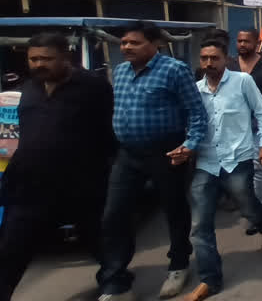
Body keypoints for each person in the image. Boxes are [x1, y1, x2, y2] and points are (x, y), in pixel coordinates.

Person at [0, 33, 116, 301]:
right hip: (29, 185)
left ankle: (115, 282)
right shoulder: (30, 88)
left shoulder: (93, 88)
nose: (39, 64)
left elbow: (108, 131)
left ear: (66, 57)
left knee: (99, 240)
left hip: (80, 183)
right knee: (12, 248)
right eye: (34, 59)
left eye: (47, 59)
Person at [99, 21, 208, 300]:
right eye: (123, 42)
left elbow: (197, 113)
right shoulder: (121, 72)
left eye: (133, 42)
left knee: (174, 210)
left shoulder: (174, 70)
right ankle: (115, 280)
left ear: (155, 44)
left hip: (166, 152)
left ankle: (179, 263)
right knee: (115, 214)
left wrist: (189, 145)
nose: (125, 47)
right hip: (127, 154)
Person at [187, 40, 262, 301]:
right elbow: (192, 123)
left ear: (226, 59)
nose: (208, 64)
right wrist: (186, 147)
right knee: (200, 224)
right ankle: (209, 280)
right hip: (206, 162)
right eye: (204, 58)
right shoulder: (196, 90)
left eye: (214, 58)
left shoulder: (242, 82)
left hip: (238, 158)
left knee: (247, 205)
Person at [231, 29, 262, 204]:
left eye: (246, 41)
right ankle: (240, 199)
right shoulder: (230, 65)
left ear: (257, 43)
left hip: (257, 126)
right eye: (239, 40)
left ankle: (256, 206)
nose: (242, 44)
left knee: (255, 168)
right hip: (232, 126)